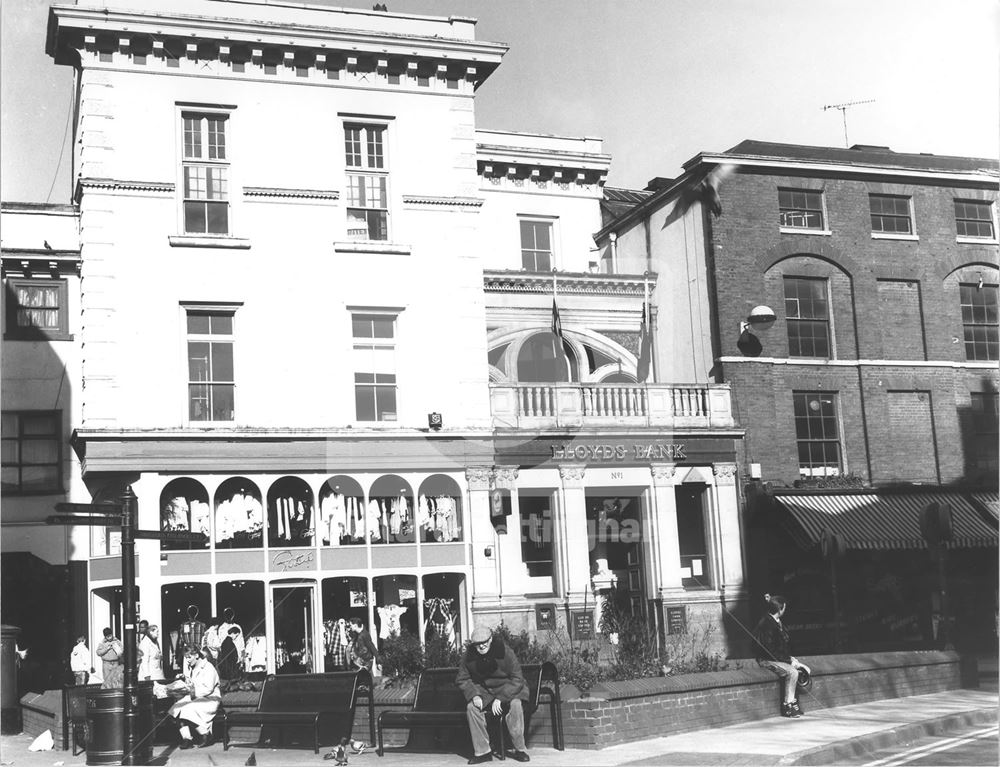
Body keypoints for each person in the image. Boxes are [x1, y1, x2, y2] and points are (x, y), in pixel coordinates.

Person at [456, 625, 530, 764]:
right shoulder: (468, 656)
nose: (482, 646)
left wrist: (501, 698)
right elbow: (463, 679)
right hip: (487, 692)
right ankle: (483, 752)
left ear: (490, 640)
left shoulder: (505, 652)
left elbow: (517, 679)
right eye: (477, 644)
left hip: (511, 689)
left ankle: (519, 749)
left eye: (484, 642)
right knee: (472, 708)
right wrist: (474, 695)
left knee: (515, 705)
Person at [753, 593, 811, 718]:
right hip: (766, 659)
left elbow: (781, 646)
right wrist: (789, 661)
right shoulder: (766, 624)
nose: (785, 609)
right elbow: (770, 650)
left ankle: (793, 703)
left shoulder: (776, 622)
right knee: (792, 672)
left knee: (797, 670)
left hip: (777, 658)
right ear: (780, 609)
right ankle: (788, 706)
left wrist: (791, 659)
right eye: (784, 607)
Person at [168, 647, 221, 748]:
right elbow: (192, 684)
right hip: (196, 698)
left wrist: (191, 691)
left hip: (210, 699)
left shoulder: (208, 667)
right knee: (176, 708)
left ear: (196, 655)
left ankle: (205, 734)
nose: (187, 660)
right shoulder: (192, 668)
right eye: (186, 658)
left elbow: (208, 689)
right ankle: (187, 738)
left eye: (189, 657)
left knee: (186, 709)